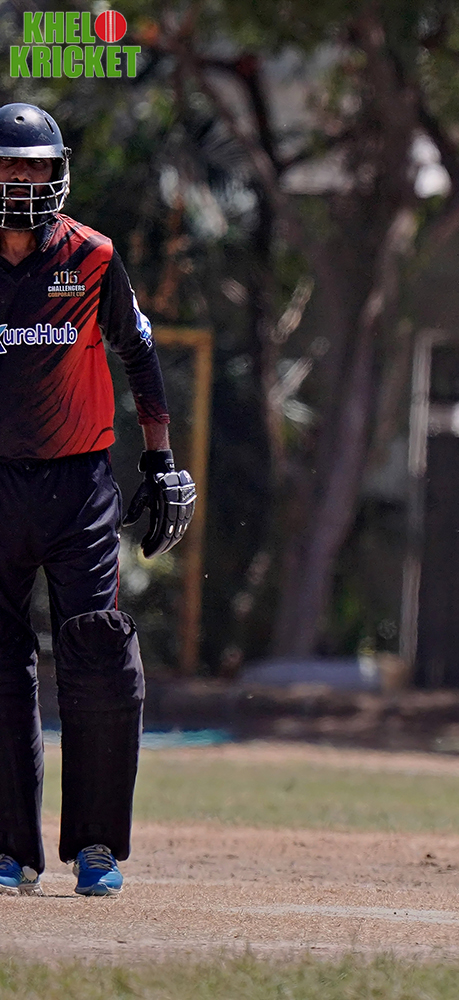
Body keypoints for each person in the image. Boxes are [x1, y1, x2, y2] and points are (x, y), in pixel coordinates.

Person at [0, 103, 195, 897]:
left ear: (59, 175)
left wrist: (160, 461)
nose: (22, 180)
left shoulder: (93, 256)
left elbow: (138, 353)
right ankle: (11, 852)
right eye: (9, 165)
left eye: (36, 167)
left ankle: (95, 848)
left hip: (80, 486)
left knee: (100, 657)